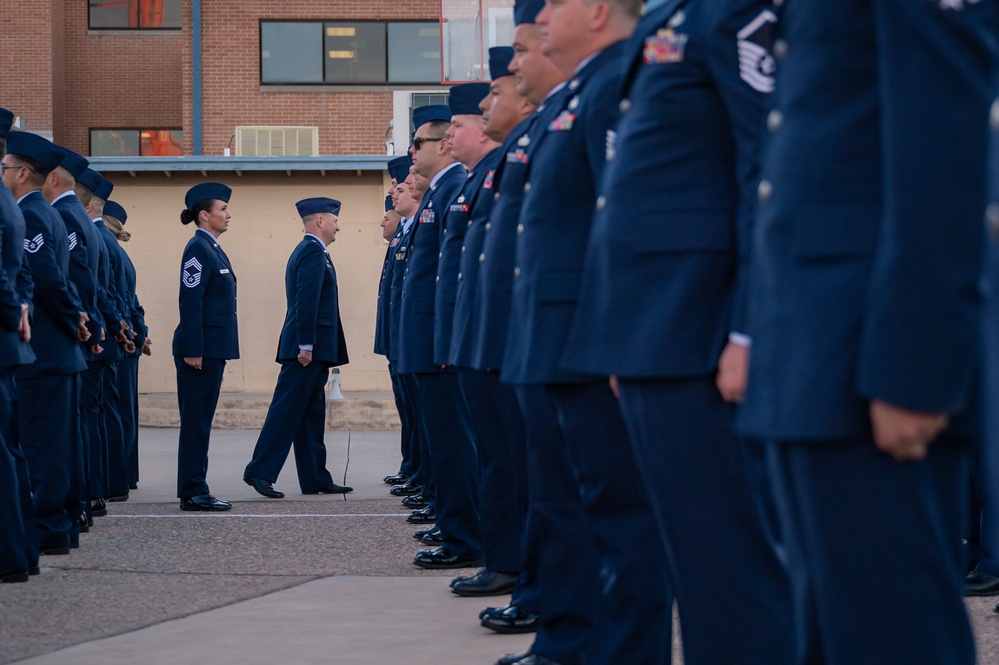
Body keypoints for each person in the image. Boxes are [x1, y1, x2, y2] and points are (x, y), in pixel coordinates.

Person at [737, 2, 995, 664]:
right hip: (812, 347)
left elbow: (943, 148)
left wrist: (913, 369)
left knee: (892, 635)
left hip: (866, 358)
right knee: (834, 633)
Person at [562, 1, 795, 663]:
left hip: (702, 327)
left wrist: (751, 327)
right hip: (654, 334)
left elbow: (765, 165)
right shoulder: (676, 15)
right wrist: (620, 335)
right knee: (696, 567)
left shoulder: (736, 12)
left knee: (733, 573)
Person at [500, 0, 673, 663]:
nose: (541, 18)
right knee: (568, 507)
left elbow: (625, 218)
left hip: (590, 341)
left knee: (618, 521)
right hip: (555, 341)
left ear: (597, 10)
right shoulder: (576, 92)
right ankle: (573, 641)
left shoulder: (615, 81)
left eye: (554, 5)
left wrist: (621, 336)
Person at [398, 103, 484, 570]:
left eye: (418, 143)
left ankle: (464, 537)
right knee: (444, 443)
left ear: (444, 142)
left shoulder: (452, 187)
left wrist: (450, 340)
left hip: (438, 344)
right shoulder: (439, 190)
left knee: (453, 444)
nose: (411, 153)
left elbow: (454, 275)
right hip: (425, 341)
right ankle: (458, 529)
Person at [3, 131, 89, 554]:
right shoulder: (46, 212)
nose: (2, 174)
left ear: (21, 173)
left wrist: (74, 319)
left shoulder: (33, 214)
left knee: (44, 448)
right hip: (60, 352)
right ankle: (61, 527)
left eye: (4, 168)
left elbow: (47, 281)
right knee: (58, 446)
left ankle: (49, 530)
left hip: (48, 352)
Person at [243, 197, 351, 497]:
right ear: (319, 221)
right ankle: (259, 472)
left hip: (313, 348)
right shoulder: (311, 252)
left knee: (310, 413)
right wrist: (306, 344)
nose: (338, 227)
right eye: (334, 220)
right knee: (287, 411)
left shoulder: (315, 251)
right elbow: (307, 301)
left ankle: (315, 476)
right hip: (307, 349)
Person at [172, 182, 237, 512]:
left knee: (201, 420)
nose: (228, 214)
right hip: (200, 350)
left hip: (212, 348)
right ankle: (193, 490)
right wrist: (193, 349)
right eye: (222, 209)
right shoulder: (198, 248)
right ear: (204, 215)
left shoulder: (212, 247)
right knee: (196, 422)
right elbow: (190, 299)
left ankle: (194, 485)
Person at [0, 109, 36, 582]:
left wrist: (14, 311)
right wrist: (22, 310)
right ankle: (21, 552)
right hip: (9, 339)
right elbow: (20, 274)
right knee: (11, 449)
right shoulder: (8, 201)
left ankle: (11, 556)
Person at [101, 200, 150, 492]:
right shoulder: (122, 254)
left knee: (115, 412)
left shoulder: (108, 249)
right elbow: (134, 303)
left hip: (118, 339)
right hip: (129, 339)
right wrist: (139, 335)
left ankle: (116, 476)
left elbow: (117, 300)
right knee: (126, 413)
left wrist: (127, 333)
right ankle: (127, 474)